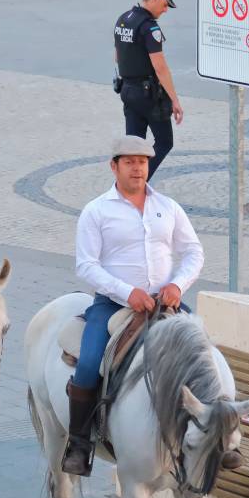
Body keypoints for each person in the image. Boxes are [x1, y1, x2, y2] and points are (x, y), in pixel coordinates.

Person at [61, 135, 204, 476]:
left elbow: (194, 252)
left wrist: (177, 285)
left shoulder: (168, 207)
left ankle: (207, 435)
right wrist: (127, 293)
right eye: (129, 162)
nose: (138, 168)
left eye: (142, 161)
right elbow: (86, 265)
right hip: (114, 306)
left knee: (203, 355)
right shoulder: (96, 211)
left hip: (165, 305)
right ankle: (79, 444)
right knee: (89, 364)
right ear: (114, 166)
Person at [113, 0, 184, 178]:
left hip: (127, 90)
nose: (166, 10)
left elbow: (117, 57)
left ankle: (125, 184)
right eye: (165, 5)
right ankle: (139, 180)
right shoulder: (149, 27)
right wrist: (175, 100)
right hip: (150, 95)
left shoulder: (123, 19)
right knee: (164, 142)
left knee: (134, 145)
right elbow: (160, 67)